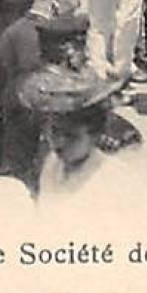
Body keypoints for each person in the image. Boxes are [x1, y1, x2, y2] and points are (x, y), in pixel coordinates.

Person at [0, 0, 87, 190]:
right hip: (51, 149)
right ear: (57, 0)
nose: (79, 5)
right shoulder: (66, 39)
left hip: (13, 142)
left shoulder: (12, 33)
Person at [19, 65, 131, 202]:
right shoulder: (51, 165)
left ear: (94, 134)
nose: (59, 142)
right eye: (54, 131)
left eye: (70, 136)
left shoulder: (111, 179)